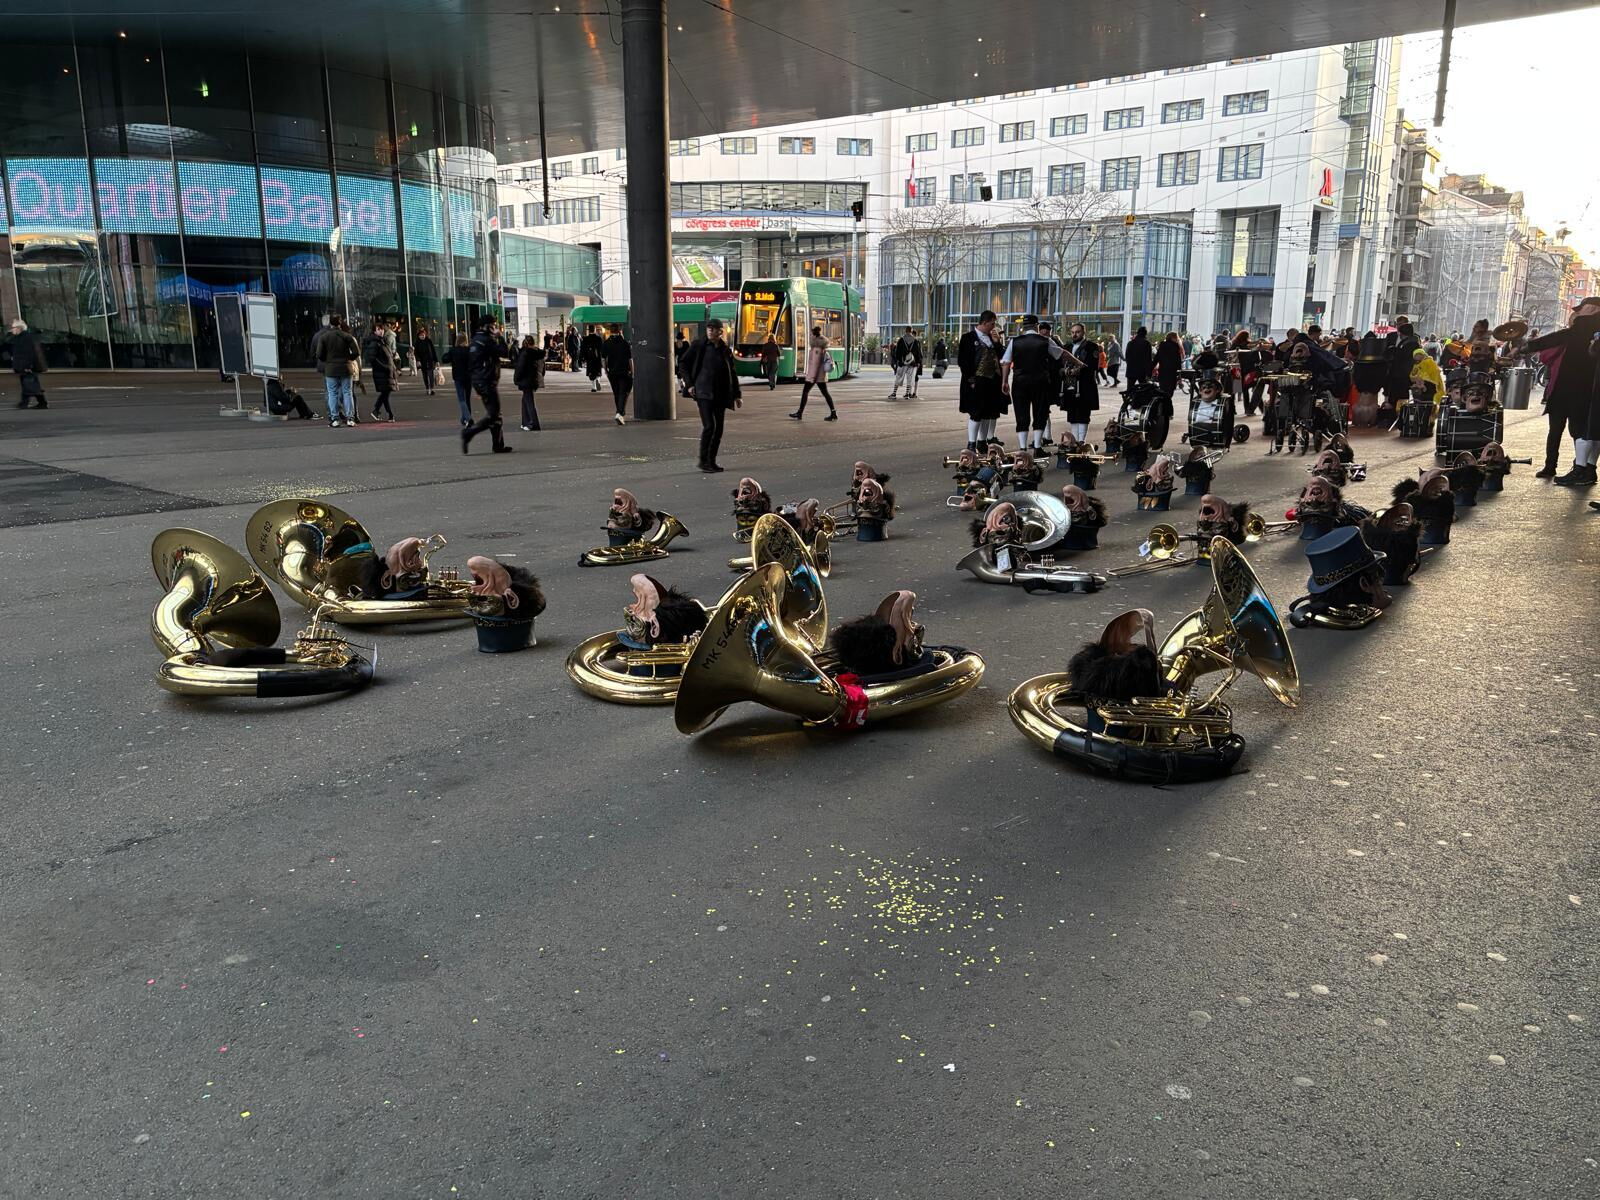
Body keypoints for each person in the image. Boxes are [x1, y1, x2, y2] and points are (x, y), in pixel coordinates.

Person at [1522, 296, 1600, 484]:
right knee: (1584, 431)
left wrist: (1528, 346)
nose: (1577, 314)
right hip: (1577, 390)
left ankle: (1580, 469)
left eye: (1581, 310)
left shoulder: (1582, 329)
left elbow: (1552, 345)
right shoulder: (1583, 331)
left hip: (1573, 390)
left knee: (1579, 431)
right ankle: (1586, 468)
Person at [679, 316, 741, 471]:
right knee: (709, 426)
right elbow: (683, 363)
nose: (710, 331)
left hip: (720, 394)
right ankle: (703, 461)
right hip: (703, 393)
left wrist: (737, 395)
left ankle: (711, 461)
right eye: (708, 328)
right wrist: (689, 384)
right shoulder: (698, 345)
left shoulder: (724, 350)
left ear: (720, 332)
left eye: (713, 329)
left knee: (718, 429)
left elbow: (732, 373)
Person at [1000, 314, 1064, 453]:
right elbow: (1060, 354)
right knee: (1040, 413)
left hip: (1020, 382)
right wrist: (1078, 363)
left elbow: (1006, 362)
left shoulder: (1014, 341)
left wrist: (1004, 381)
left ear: (1023, 327)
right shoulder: (1045, 341)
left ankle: (1023, 448)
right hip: (1040, 382)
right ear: (1037, 326)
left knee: (1021, 414)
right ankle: (1037, 448)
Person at [461, 317, 513, 454]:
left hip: (481, 380)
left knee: (495, 414)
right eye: (493, 325)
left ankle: (498, 445)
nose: (495, 328)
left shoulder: (476, 340)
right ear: (486, 326)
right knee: (494, 415)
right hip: (486, 381)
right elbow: (504, 352)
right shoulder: (486, 340)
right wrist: (500, 337)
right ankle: (469, 433)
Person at [958, 310, 1007, 449]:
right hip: (976, 381)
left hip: (992, 381)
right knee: (976, 413)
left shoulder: (992, 338)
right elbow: (963, 361)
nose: (994, 327)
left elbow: (1002, 357)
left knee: (988, 413)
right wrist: (971, 380)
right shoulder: (968, 338)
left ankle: (982, 441)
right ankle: (971, 443)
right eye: (992, 324)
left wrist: (997, 343)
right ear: (984, 323)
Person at [313, 315, 360, 428]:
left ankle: (335, 419)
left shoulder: (324, 337)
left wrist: (327, 360)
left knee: (332, 393)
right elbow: (356, 352)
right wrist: (349, 358)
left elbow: (319, 354)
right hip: (346, 367)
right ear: (340, 323)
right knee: (347, 392)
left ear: (330, 323)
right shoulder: (347, 336)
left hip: (331, 368)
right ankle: (350, 418)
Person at [1061, 322, 1100, 443]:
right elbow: (1060, 364)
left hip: (1085, 385)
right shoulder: (1067, 347)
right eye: (1072, 332)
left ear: (1084, 332)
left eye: (1077, 332)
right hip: (1070, 384)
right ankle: (1074, 442)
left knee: (1083, 414)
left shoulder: (1092, 346)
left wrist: (1078, 370)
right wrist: (1063, 371)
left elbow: (1093, 365)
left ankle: (1081, 441)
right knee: (1072, 415)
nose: (1074, 334)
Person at [791, 324, 837, 420]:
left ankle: (800, 413)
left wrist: (812, 377)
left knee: (805, 392)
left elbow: (815, 365)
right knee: (825, 393)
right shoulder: (822, 348)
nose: (811, 335)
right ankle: (833, 413)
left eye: (812, 333)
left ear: (815, 334)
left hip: (815, 376)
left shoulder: (817, 349)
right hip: (820, 376)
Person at [362, 318, 398, 422]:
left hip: (386, 371)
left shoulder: (382, 341)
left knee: (385, 393)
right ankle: (381, 411)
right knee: (385, 392)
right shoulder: (375, 343)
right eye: (378, 329)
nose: (381, 331)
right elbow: (372, 359)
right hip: (382, 372)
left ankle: (384, 413)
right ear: (374, 331)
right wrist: (385, 366)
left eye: (381, 329)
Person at [8, 319, 47, 409]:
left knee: (29, 385)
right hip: (24, 366)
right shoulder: (21, 338)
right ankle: (32, 403)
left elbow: (29, 353)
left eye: (14, 328)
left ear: (19, 328)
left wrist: (28, 366)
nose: (12, 330)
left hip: (27, 367)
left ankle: (36, 403)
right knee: (29, 385)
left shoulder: (26, 338)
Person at [602, 325, 633, 424]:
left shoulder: (606, 343)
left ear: (610, 331)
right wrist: (632, 371)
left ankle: (619, 413)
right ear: (619, 331)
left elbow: (603, 359)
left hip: (612, 372)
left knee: (616, 393)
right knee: (623, 392)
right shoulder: (625, 343)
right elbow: (630, 359)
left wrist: (606, 371)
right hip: (624, 371)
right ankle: (620, 413)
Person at [513, 334, 545, 431]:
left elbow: (520, 368)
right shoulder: (539, 353)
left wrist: (516, 379)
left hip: (526, 380)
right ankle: (525, 422)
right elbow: (542, 368)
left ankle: (533, 424)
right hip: (533, 380)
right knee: (525, 401)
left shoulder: (525, 353)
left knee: (529, 402)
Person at [444, 333, 473, 425]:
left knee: (461, 398)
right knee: (467, 398)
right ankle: (464, 418)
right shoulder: (469, 350)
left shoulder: (454, 350)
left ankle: (468, 418)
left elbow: (444, 359)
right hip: (468, 377)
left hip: (458, 376)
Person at [887, 327, 923, 399]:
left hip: (902, 362)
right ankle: (907, 394)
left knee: (898, 377)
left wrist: (899, 360)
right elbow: (918, 353)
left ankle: (894, 393)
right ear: (911, 331)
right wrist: (918, 362)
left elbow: (897, 352)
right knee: (910, 378)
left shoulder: (901, 340)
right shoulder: (915, 341)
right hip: (912, 363)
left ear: (905, 331)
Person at [414, 326, 439, 395]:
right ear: (418, 336)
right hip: (422, 361)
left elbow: (433, 351)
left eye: (423, 335)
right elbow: (416, 353)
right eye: (421, 335)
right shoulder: (417, 343)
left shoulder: (429, 341)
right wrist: (418, 360)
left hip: (430, 361)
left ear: (425, 335)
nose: (422, 336)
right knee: (425, 376)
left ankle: (432, 389)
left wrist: (436, 361)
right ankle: (427, 388)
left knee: (431, 375)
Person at [580, 326, 605, 392]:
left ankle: (594, 387)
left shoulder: (586, 339)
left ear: (589, 330)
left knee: (591, 372)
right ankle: (598, 379)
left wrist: (583, 358)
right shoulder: (599, 338)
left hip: (589, 358)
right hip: (597, 358)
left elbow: (583, 349)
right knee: (598, 371)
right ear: (595, 330)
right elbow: (601, 349)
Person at [674, 329, 691, 394]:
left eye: (680, 339)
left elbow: (688, 353)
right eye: (679, 339)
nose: (679, 340)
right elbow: (674, 354)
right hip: (680, 361)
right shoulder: (676, 344)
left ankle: (683, 386)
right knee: (679, 374)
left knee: (683, 374)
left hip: (684, 361)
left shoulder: (685, 344)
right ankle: (681, 387)